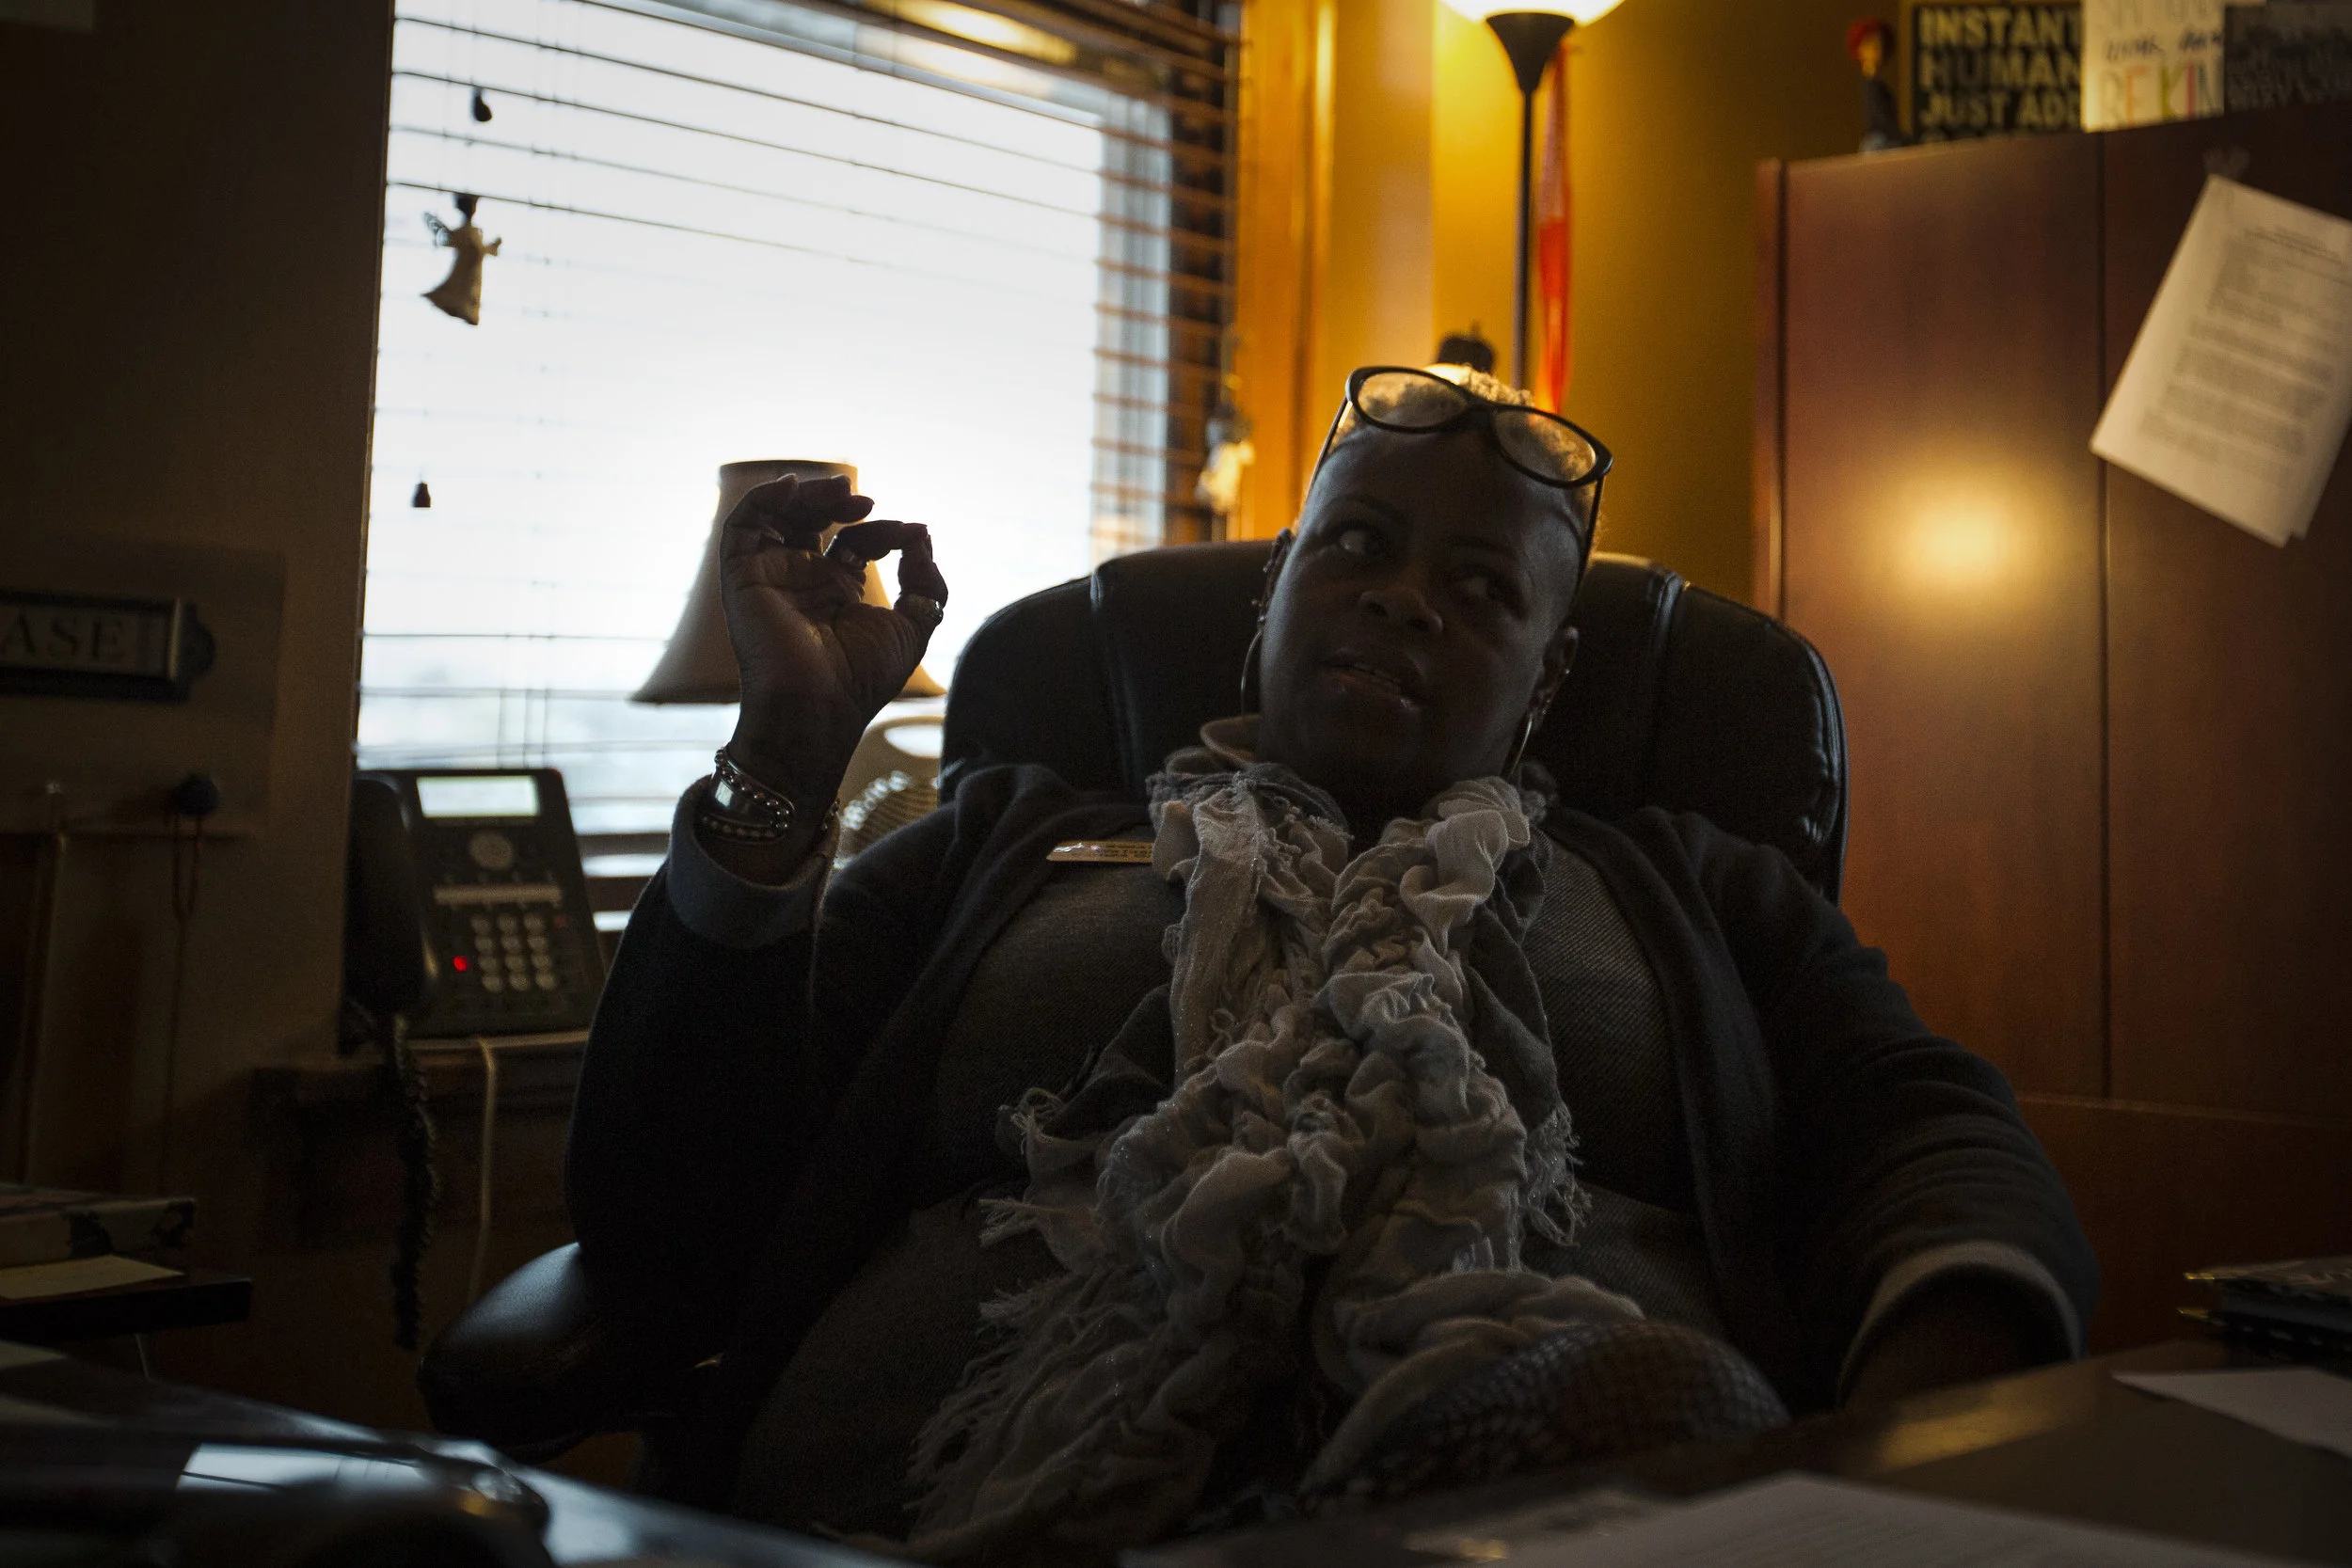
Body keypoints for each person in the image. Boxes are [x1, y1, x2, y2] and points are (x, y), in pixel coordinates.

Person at [570, 367, 2095, 1563]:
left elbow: (1926, 1122)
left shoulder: (1691, 887)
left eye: (1485, 588)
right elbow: (663, 1202)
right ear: (1274, 593)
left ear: (1551, 673)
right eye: (1356, 545)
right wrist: (781, 764)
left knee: (1679, 1414)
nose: (1404, 595)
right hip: (908, 1502)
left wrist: (1934, 1407)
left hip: (1583, 1495)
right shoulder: (999, 844)